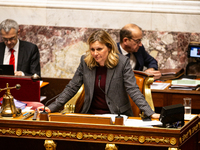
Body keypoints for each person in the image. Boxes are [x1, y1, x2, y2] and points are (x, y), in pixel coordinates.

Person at [38, 30, 159, 118]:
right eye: (92, 49)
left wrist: (150, 113)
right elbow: (72, 87)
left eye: (99, 49)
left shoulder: (122, 62)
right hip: (91, 115)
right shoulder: (85, 62)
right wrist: (52, 107)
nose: (95, 53)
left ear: (109, 48)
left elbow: (133, 89)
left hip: (117, 115)